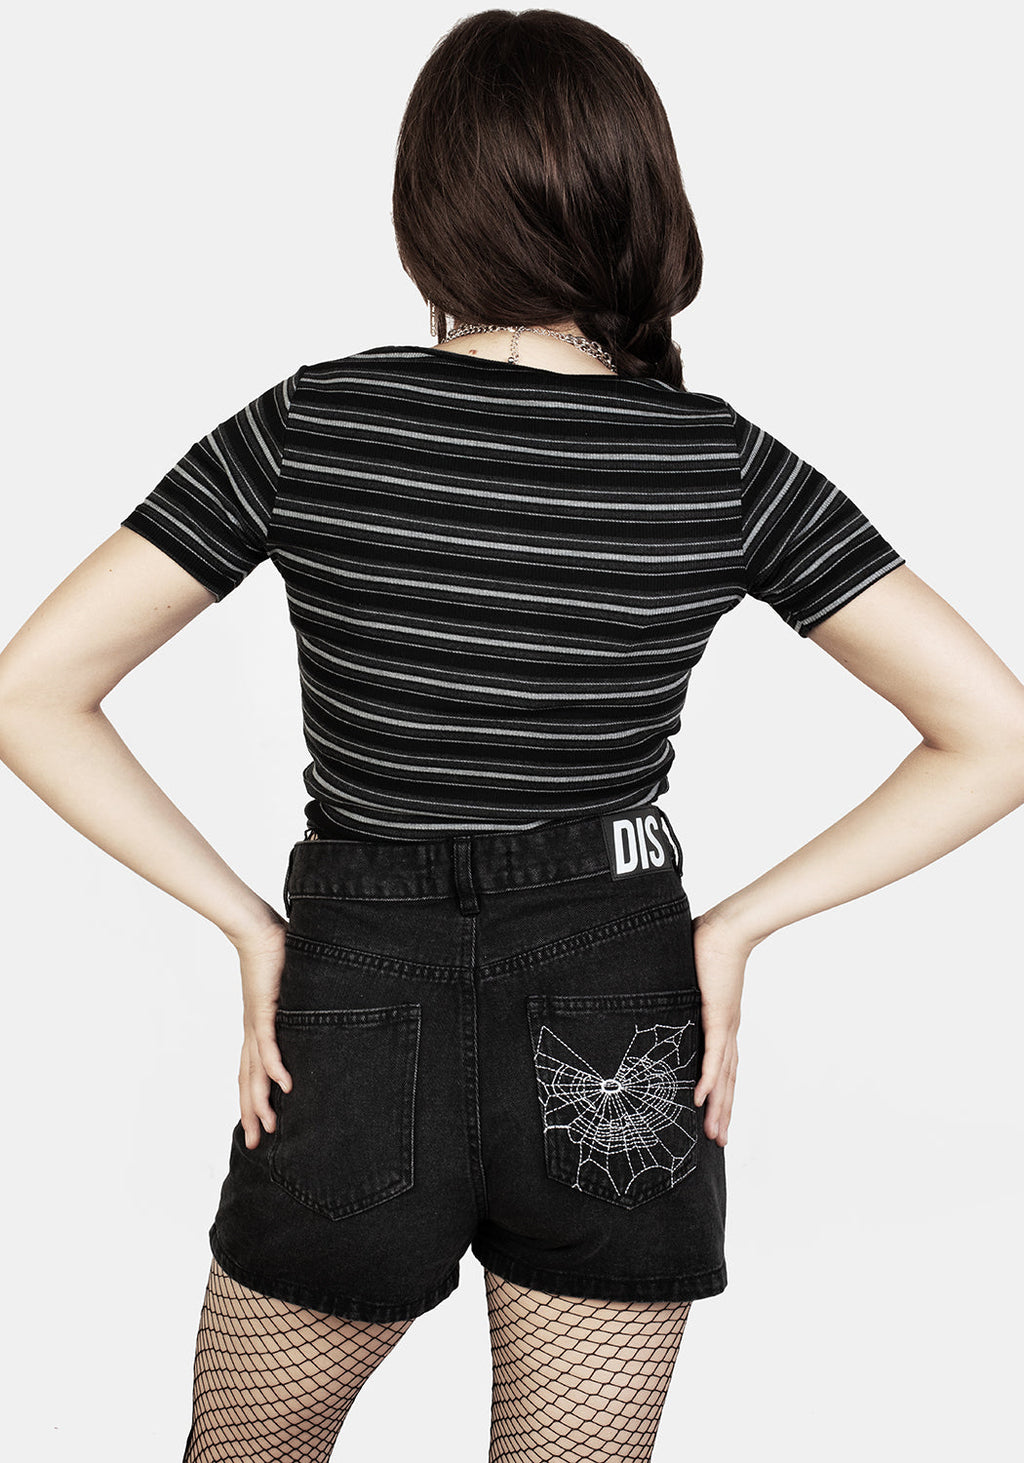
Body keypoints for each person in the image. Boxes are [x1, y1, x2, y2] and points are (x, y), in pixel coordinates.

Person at [2, 9, 1023, 1462]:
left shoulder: (317, 422)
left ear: (428, 208)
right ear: (640, 196)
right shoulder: (715, 460)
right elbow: (995, 732)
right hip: (623, 996)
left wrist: (246, 924)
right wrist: (735, 929)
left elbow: (30, 690)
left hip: (357, 1000)